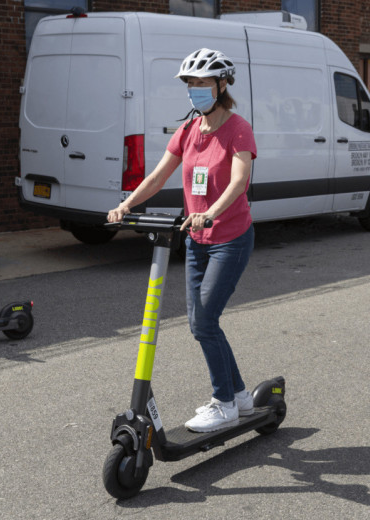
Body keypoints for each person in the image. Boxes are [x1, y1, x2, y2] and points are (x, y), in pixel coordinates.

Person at [107, 48, 257, 433]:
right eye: (190, 84)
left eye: (202, 83)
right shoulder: (189, 131)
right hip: (196, 241)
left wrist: (211, 211)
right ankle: (238, 394)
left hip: (231, 238)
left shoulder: (238, 128)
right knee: (201, 322)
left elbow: (240, 180)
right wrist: (125, 205)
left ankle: (223, 403)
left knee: (205, 320)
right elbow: (157, 177)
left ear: (222, 86)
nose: (194, 90)